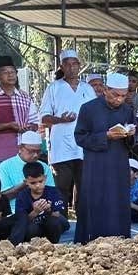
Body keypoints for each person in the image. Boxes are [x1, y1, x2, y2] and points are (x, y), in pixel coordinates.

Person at [74, 72, 135, 243]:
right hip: (96, 164)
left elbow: (132, 141)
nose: (119, 99)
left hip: (119, 163)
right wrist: (106, 136)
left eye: (123, 96)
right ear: (106, 90)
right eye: (115, 94)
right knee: (96, 200)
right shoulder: (88, 109)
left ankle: (119, 239)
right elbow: (80, 137)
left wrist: (130, 133)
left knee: (117, 201)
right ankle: (92, 240)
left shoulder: (127, 110)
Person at [40, 49, 96, 212]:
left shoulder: (87, 89)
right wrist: (61, 120)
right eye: (67, 64)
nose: (71, 68)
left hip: (84, 146)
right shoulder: (54, 88)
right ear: (61, 67)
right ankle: (61, 221)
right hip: (61, 148)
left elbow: (96, 114)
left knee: (84, 186)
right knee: (61, 187)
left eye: (74, 64)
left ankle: (84, 222)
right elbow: (44, 118)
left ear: (79, 66)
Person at [0, 55, 39, 174]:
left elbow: (35, 124)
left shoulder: (26, 98)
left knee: (23, 188)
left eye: (12, 72)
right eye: (5, 72)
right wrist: (8, 125)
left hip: (24, 155)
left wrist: (29, 128)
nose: (10, 75)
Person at [12, 161, 70, 244]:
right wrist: (35, 211)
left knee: (55, 222)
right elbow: (21, 221)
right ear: (26, 182)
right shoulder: (22, 196)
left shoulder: (53, 191)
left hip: (50, 223)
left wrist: (48, 209)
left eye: (40, 181)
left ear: (45, 178)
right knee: (31, 229)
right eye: (33, 183)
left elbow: (57, 214)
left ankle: (53, 245)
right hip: (34, 226)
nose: (38, 185)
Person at [0, 131, 52, 211]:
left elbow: (52, 193)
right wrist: (25, 185)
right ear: (20, 148)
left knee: (59, 221)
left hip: (42, 210)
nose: (36, 155)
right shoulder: (5, 166)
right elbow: (1, 197)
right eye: (31, 151)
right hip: (14, 212)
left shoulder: (44, 167)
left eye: (38, 151)